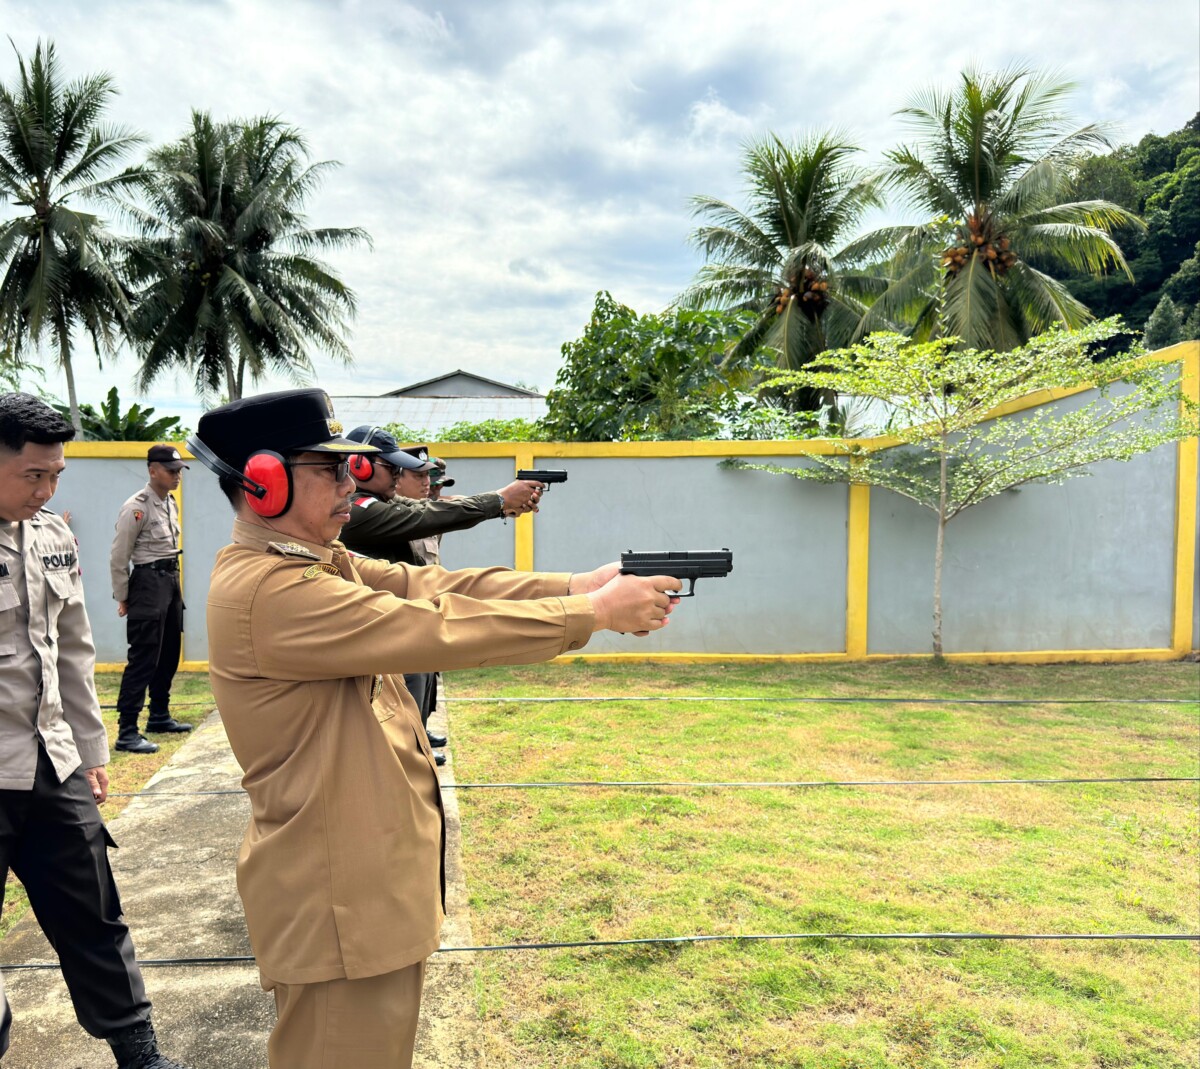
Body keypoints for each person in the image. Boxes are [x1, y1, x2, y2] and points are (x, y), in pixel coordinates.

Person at [188, 388, 679, 1069]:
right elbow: (436, 627)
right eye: (327, 470)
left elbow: (434, 589)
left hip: (360, 894)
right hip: (339, 905)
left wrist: (575, 585)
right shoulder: (272, 590)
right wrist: (590, 613)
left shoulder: (314, 562)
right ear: (263, 482)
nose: (347, 483)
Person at [0, 393, 189, 1069]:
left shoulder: (51, 537)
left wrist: (89, 749)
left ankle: (141, 1055)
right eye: (33, 476)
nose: (47, 489)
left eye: (55, 475)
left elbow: (73, 650)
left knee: (97, 917)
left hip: (51, 765)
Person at [340, 428, 544, 763]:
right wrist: (497, 500)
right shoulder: (356, 509)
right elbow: (423, 514)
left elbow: (434, 505)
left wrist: (500, 505)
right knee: (396, 732)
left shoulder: (379, 502)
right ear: (359, 465)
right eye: (390, 467)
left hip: (401, 625)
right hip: (383, 634)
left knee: (415, 713)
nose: (397, 474)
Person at [109, 445, 193, 754]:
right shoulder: (136, 507)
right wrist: (123, 595)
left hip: (170, 581)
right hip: (146, 583)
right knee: (143, 657)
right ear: (152, 470)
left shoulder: (169, 503)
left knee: (170, 651)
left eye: (179, 471)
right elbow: (119, 556)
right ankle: (127, 730)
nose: (176, 476)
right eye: (171, 471)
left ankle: (159, 715)